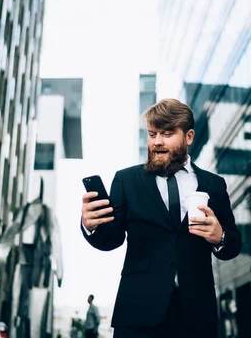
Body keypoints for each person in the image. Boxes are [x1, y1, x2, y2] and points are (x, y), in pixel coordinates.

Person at [81, 98, 242, 338]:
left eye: (166, 134)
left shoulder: (214, 185)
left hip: (196, 316)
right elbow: (111, 239)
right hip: (137, 313)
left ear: (188, 137)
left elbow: (233, 245)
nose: (157, 142)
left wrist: (220, 237)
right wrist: (90, 226)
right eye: (152, 134)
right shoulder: (127, 180)